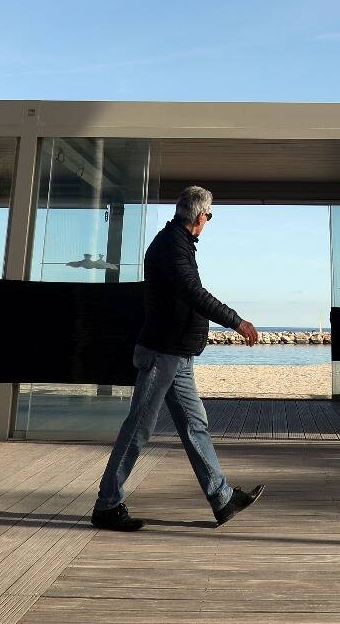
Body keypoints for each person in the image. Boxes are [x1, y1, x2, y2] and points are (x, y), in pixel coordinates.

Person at [92, 186, 265, 532]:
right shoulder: (172, 246)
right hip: (162, 353)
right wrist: (237, 321)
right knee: (138, 428)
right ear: (201, 217)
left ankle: (222, 498)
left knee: (194, 424)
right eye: (209, 216)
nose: (208, 222)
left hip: (177, 355)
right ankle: (107, 505)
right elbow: (193, 293)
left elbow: (186, 296)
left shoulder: (178, 243)